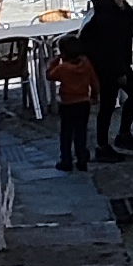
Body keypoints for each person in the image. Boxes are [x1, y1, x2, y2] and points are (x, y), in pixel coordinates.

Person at [83, 0, 133, 159]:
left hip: (119, 62)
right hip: (106, 65)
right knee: (108, 103)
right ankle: (103, 145)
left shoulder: (120, 8)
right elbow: (110, 44)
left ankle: (123, 134)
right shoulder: (106, 12)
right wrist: (120, 70)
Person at [52, 29, 97, 171]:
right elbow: (94, 81)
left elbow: (49, 75)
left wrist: (54, 62)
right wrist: (95, 95)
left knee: (66, 133)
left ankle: (66, 160)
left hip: (68, 104)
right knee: (81, 132)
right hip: (84, 102)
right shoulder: (86, 63)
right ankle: (82, 158)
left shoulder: (63, 68)